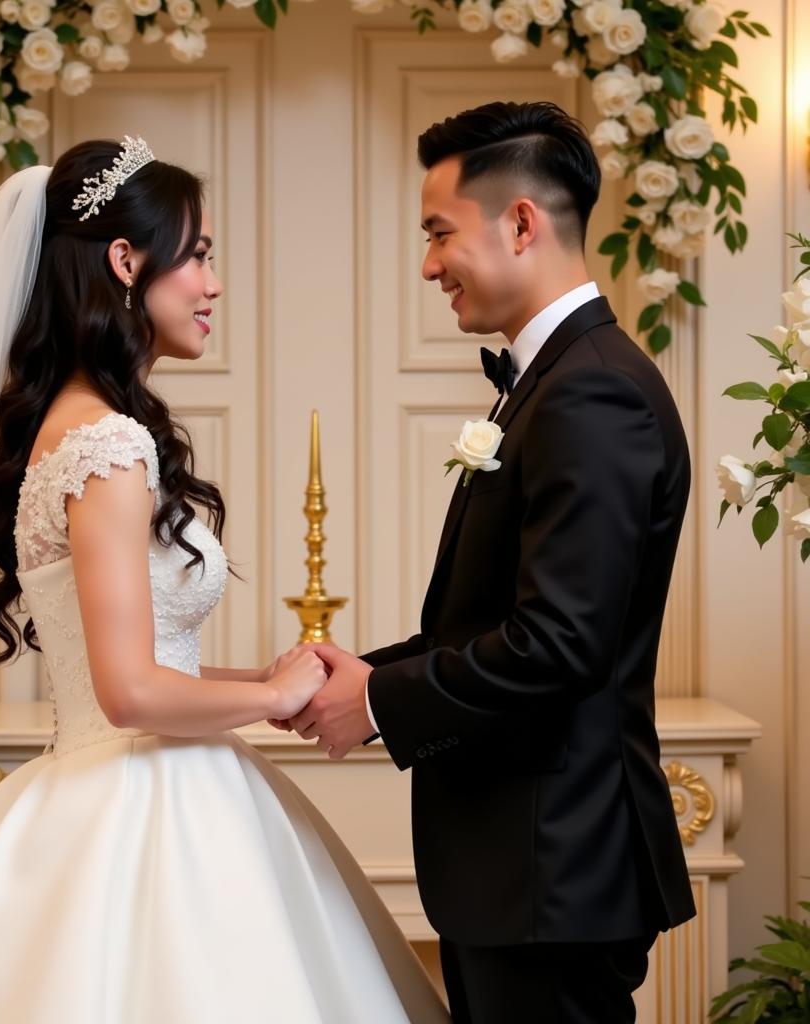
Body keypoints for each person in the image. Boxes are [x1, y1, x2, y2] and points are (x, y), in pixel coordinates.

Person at [0, 139, 449, 1023]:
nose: (212, 285)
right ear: (127, 262)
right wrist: (268, 696)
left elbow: (131, 661)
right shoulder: (107, 443)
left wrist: (262, 678)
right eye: (200, 255)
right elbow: (129, 692)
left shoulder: (71, 424)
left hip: (107, 777)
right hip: (143, 803)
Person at [287, 102, 697, 1023]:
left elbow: (558, 643)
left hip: (553, 871)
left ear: (520, 223)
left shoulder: (591, 391)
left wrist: (378, 702)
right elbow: (491, 627)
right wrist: (362, 673)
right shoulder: (554, 383)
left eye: (439, 233)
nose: (428, 265)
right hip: (525, 875)